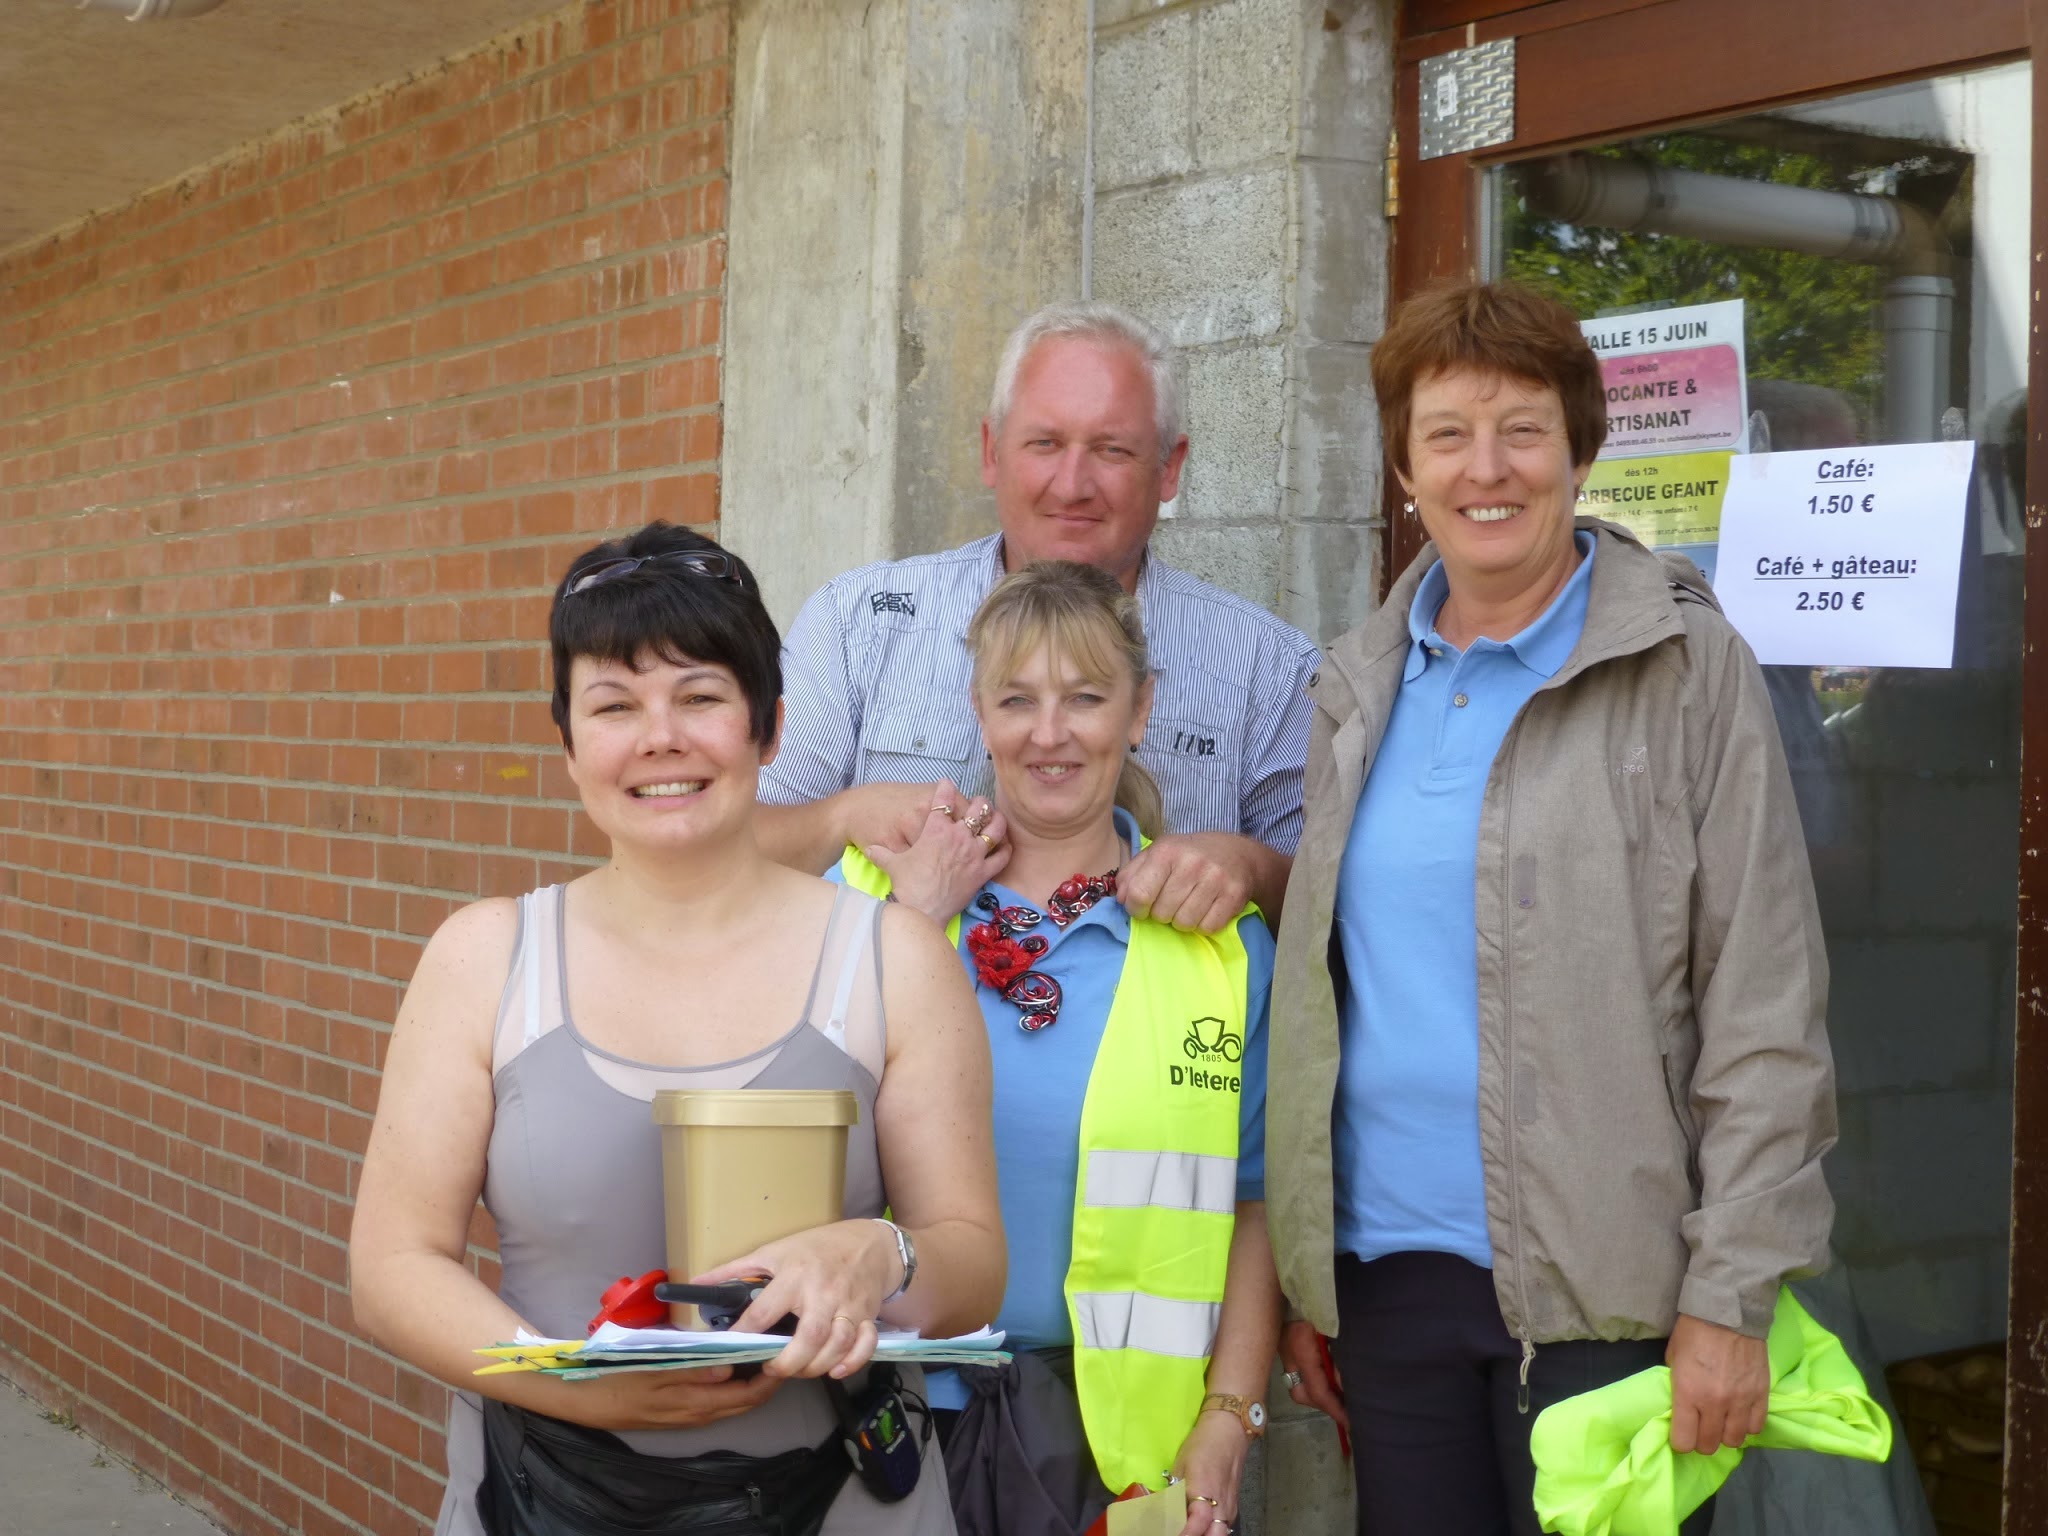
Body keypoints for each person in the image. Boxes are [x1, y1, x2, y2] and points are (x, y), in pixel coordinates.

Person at [1265, 282, 1837, 1536]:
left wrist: (1729, 1294)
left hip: (1609, 1297)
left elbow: (1763, 1001)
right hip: (1389, 1281)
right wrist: (1312, 1277)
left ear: (1581, 449)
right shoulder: (1358, 682)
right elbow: (1327, 992)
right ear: (1403, 464)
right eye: (1446, 433)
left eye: (1522, 429)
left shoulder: (1685, 666)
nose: (1486, 469)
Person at [349, 522, 1006, 1536]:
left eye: (699, 696)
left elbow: (968, 1260)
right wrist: (574, 1386)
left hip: (837, 1500)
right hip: (545, 1496)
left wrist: (878, 1253)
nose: (661, 737)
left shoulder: (891, 961)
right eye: (614, 705)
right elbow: (393, 1266)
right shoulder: (484, 959)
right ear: (566, 739)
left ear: (768, 726)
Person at [833, 561, 1282, 1536]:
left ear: (1139, 709)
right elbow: (790, 1120)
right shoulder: (873, 898)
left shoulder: (1217, 943)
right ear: (977, 712)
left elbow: (1254, 1202)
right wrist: (913, 922)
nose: (1048, 732)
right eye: (1016, 699)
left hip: (1129, 1461)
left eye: (1084, 697)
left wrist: (1230, 1414)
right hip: (885, 1426)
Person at [757, 301, 1322, 932]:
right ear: (992, 450)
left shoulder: (1265, 667)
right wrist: (843, 816)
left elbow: (1332, 907)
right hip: (890, 1023)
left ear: (1169, 468)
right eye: (1045, 443)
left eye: (1112, 450)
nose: (1072, 483)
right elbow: (728, 853)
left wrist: (1250, 866)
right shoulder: (859, 623)